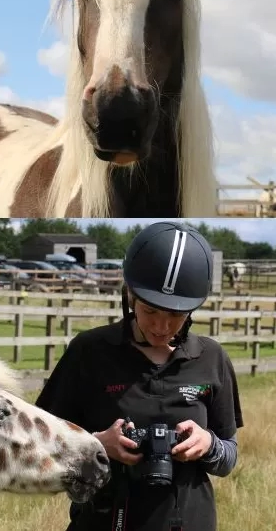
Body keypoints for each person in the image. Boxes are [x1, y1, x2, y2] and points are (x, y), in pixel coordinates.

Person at [35, 221, 244, 531]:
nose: (162, 326)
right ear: (130, 295)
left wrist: (209, 444)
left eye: (175, 315)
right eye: (150, 311)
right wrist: (95, 445)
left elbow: (229, 457)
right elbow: (41, 444)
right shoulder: (89, 352)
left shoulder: (212, 358)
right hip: (103, 521)